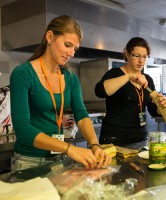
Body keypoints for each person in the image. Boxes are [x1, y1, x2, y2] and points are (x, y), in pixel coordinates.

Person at [10, 15, 111, 172]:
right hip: (29, 161)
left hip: (58, 159)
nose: (71, 53)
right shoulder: (23, 74)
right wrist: (69, 149)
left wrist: (94, 144)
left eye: (75, 49)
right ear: (50, 37)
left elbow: (82, 115)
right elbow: (22, 129)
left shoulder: (70, 78)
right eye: (67, 45)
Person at [95, 37, 166, 146]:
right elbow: (99, 91)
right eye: (137, 56)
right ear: (127, 54)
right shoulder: (115, 74)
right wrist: (129, 76)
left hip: (140, 137)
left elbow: (153, 111)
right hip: (114, 138)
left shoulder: (147, 80)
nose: (141, 61)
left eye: (144, 57)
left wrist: (161, 106)